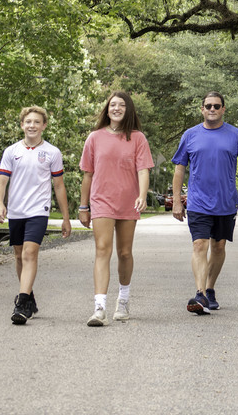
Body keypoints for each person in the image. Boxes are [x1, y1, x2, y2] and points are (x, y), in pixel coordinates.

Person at [171, 91, 238, 315]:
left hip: (225, 202)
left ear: (223, 109)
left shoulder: (235, 135)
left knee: (218, 247)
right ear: (202, 109)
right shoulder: (190, 135)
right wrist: (178, 201)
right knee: (199, 245)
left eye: (217, 106)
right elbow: (179, 168)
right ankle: (199, 293)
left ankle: (210, 289)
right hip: (198, 202)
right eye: (208, 106)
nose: (212, 109)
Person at [78, 91, 154, 326]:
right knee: (102, 250)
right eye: (113, 105)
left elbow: (143, 170)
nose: (117, 108)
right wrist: (83, 205)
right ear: (107, 109)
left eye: (122, 105)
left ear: (128, 109)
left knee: (124, 252)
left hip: (127, 201)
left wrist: (142, 195)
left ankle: (123, 300)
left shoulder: (138, 138)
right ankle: (99, 307)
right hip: (101, 200)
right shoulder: (94, 137)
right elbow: (87, 175)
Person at [0, 106, 71, 325]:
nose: (32, 125)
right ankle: (29, 296)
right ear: (22, 125)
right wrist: (0, 205)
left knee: (29, 253)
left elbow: (59, 186)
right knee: (19, 256)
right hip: (16, 211)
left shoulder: (52, 153)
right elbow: (1, 183)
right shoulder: (11, 152)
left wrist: (66, 218)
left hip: (38, 210)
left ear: (44, 126)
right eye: (28, 122)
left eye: (37, 122)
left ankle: (21, 303)